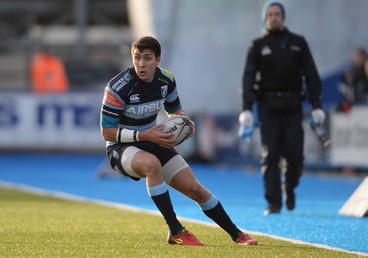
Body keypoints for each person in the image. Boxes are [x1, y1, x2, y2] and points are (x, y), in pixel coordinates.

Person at [100, 36, 257, 246]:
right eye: (137, 58)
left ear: (157, 59)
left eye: (147, 58)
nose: (141, 64)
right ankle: (176, 230)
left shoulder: (166, 80)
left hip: (152, 139)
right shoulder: (117, 87)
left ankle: (237, 234)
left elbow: (175, 110)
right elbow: (107, 132)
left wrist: (184, 122)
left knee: (195, 189)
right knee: (151, 165)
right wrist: (144, 135)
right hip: (121, 147)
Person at [238, 2, 325, 216]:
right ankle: (273, 203)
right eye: (270, 14)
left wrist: (317, 106)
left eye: (277, 14)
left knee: (296, 156)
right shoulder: (257, 45)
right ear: (265, 18)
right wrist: (246, 108)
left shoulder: (299, 43)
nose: (274, 17)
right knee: (271, 154)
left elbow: (312, 75)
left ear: (283, 17)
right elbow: (248, 77)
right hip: (268, 106)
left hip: (294, 105)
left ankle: (290, 186)